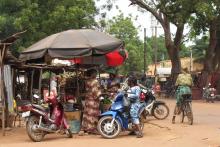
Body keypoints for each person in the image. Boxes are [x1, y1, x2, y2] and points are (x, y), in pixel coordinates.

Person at [81, 69, 101, 134]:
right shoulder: (95, 81)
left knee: (87, 113)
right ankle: (92, 129)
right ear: (92, 74)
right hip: (93, 100)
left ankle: (85, 128)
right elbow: (95, 91)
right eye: (95, 73)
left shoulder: (87, 81)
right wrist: (100, 95)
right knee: (92, 114)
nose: (96, 74)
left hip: (88, 99)